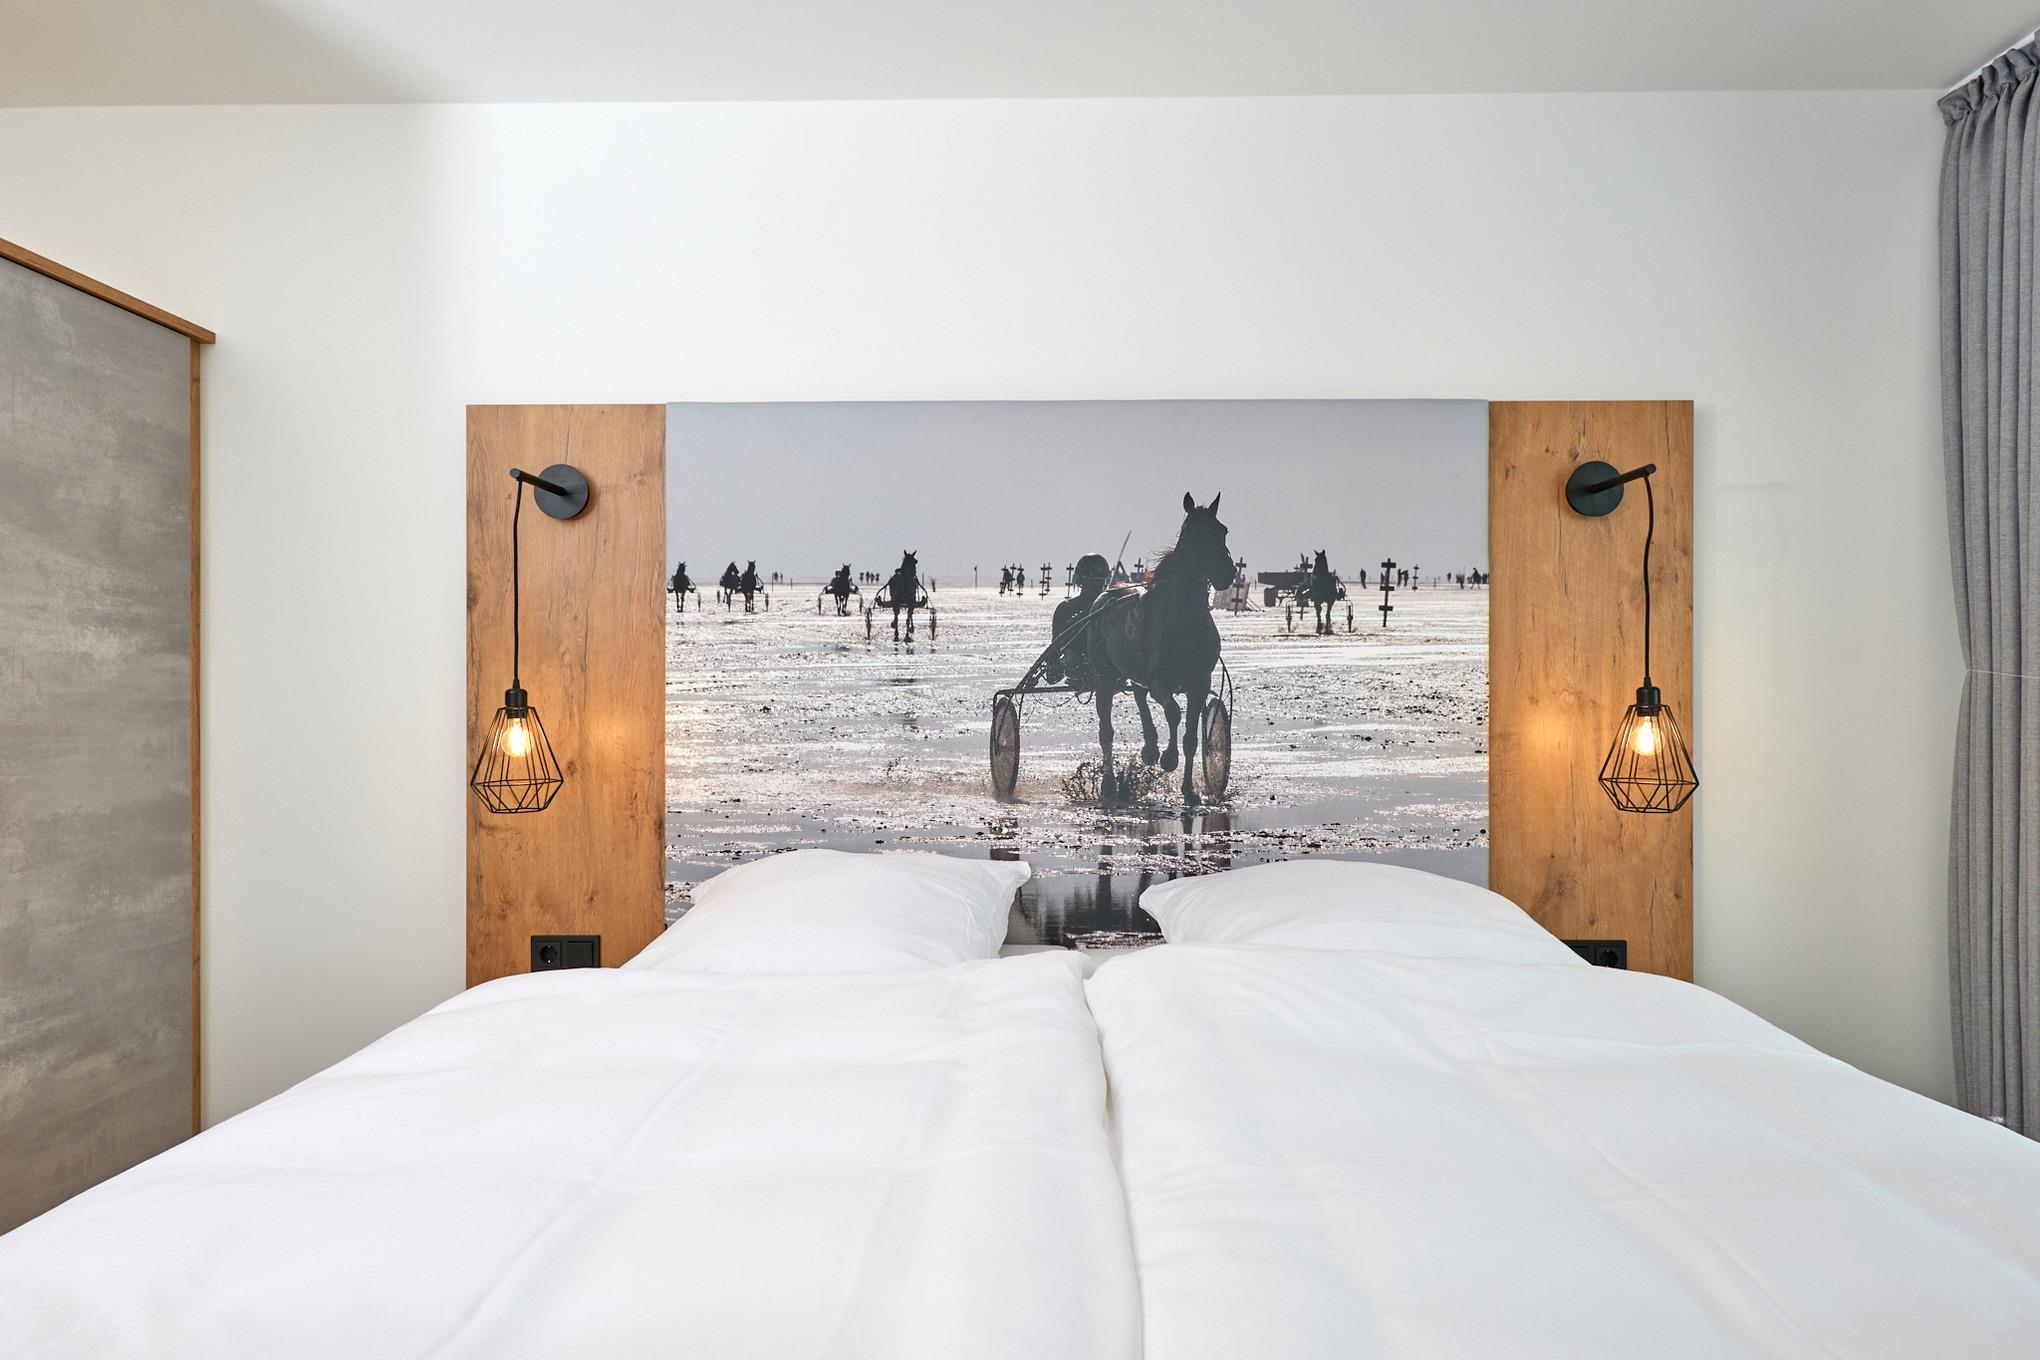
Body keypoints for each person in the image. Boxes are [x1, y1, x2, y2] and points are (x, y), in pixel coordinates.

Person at [1043, 554, 1112, 688]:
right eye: (1093, 582)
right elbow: (1056, 647)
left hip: (1102, 668)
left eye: (1099, 582)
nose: (1097, 586)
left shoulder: (1111, 607)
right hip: (1083, 669)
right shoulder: (1066, 608)